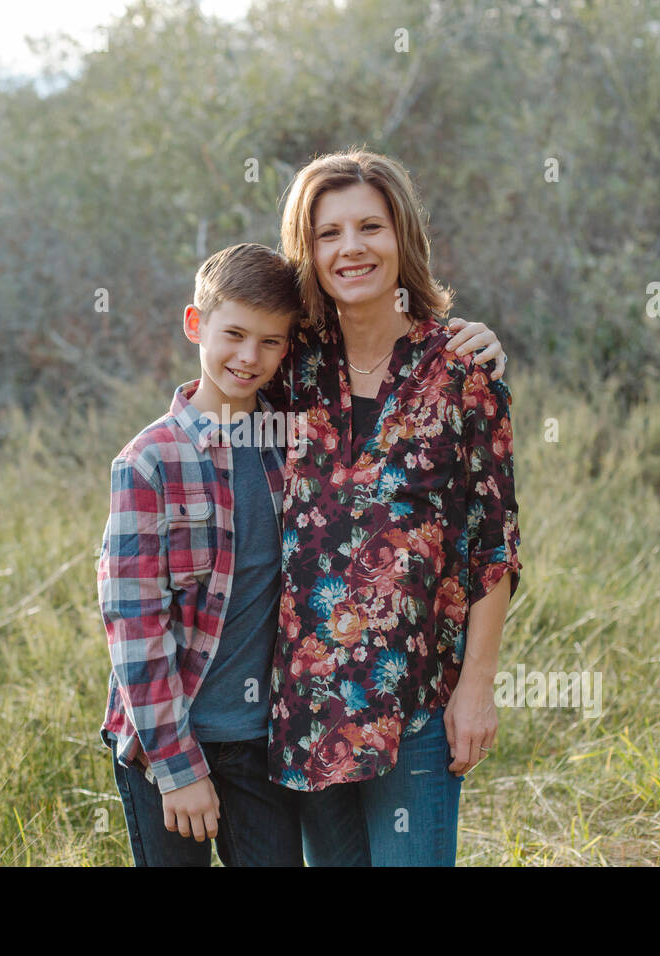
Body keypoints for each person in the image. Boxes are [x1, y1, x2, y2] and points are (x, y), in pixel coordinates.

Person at [266, 149, 522, 866]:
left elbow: (493, 549)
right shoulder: (288, 370)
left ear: (402, 236)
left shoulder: (463, 370)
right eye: (329, 234)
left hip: (417, 705)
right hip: (307, 708)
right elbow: (215, 381)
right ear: (307, 252)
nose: (352, 248)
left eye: (370, 227)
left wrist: (476, 690)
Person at [97, 242, 306, 866]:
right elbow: (134, 624)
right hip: (166, 738)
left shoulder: (292, 445)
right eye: (234, 334)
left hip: (263, 745)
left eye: (271, 341)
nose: (249, 357)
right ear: (196, 325)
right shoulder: (149, 462)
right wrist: (178, 768)